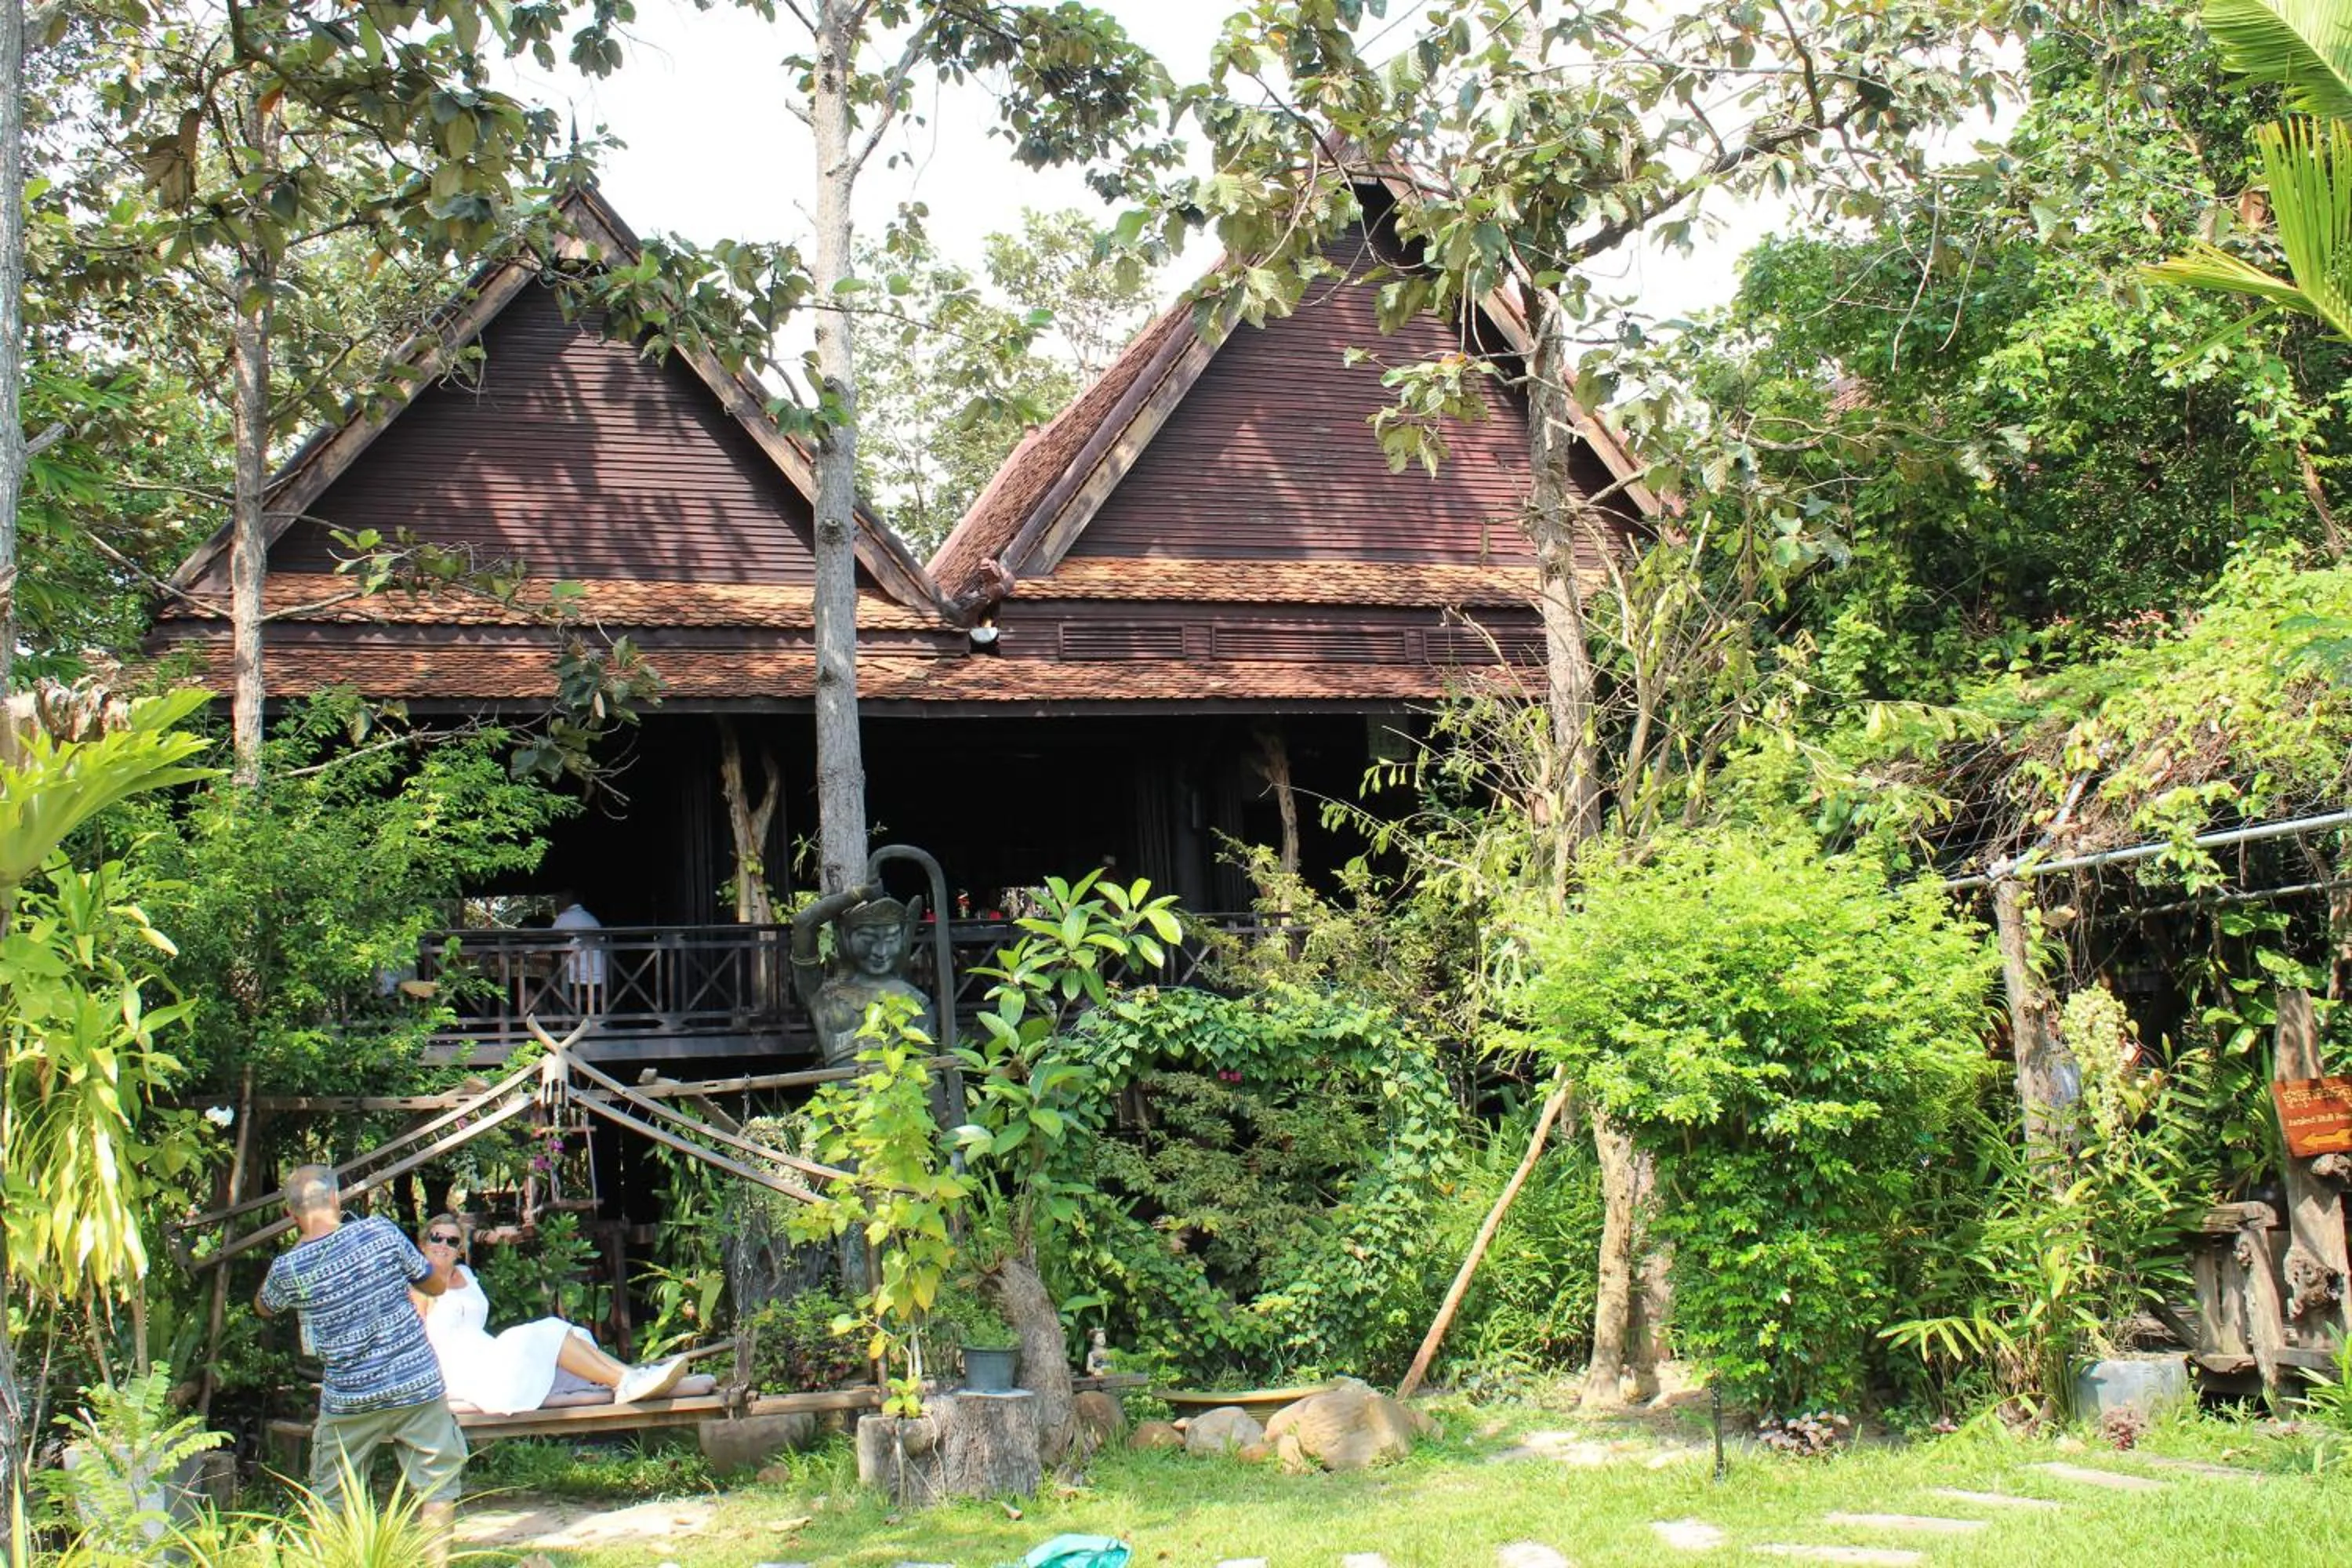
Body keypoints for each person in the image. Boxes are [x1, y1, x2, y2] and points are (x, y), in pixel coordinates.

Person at [254, 1165, 465, 1562]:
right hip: (415, 1384)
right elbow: (432, 1285)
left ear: (289, 1214)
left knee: (331, 1494)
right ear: (337, 1199)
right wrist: (437, 1267)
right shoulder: (379, 1232)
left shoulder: (289, 1268)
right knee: (438, 1486)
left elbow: (264, 1307)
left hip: (350, 1398)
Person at [410, 1214, 688, 1414]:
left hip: (486, 1352)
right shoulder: (418, 1287)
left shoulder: (467, 1275)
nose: (443, 1245)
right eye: (437, 1238)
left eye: (451, 1240)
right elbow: (414, 1342)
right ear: (423, 1244)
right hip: (463, 1371)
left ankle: (631, 1377)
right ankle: (625, 1381)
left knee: (567, 1332)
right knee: (544, 1332)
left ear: (460, 1249)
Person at [549, 890, 605, 1014]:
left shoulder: (564, 918)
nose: (556, 902)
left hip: (574, 979)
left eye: (559, 898)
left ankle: (559, 1020)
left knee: (548, 981)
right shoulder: (591, 918)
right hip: (600, 978)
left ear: (566, 900)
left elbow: (550, 944)